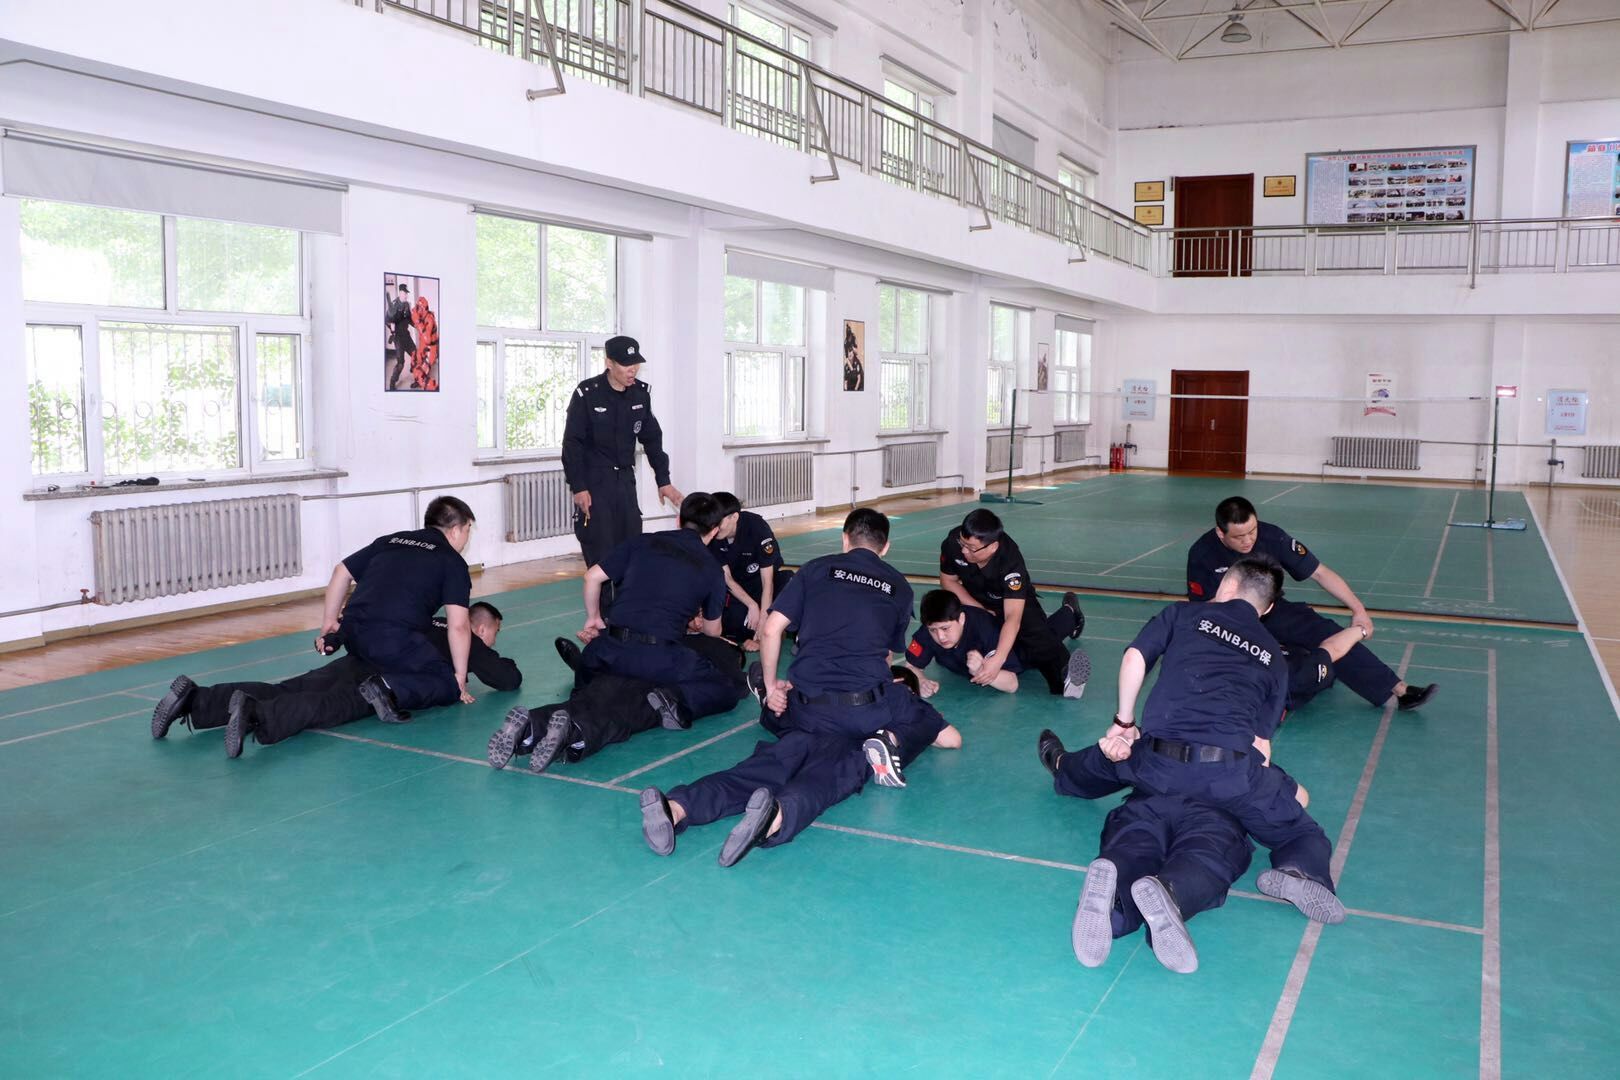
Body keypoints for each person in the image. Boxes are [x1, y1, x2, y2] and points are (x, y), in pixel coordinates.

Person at [1039, 556, 1347, 927]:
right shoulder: (1274, 658)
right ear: (1266, 609)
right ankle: (1303, 870)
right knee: (1301, 831)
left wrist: (1124, 721)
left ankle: (1064, 769)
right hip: (1227, 774)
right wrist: (1279, 790)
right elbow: (1260, 747)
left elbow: (1135, 657)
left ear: (1226, 585)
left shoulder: (1183, 614)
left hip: (1158, 760)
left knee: (1117, 753)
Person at [637, 668, 960, 867]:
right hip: (849, 751)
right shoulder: (901, 697)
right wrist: (922, 709)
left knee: (746, 775)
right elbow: (951, 739)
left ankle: (675, 808)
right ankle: (772, 818)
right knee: (816, 786)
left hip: (801, 737)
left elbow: (776, 716)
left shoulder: (840, 685)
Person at [152, 602, 521, 758]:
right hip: (383, 679)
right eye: (496, 633)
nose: (493, 640)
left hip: (364, 657)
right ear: (481, 627)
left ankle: (197, 701)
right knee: (330, 706)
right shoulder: (467, 638)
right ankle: (257, 714)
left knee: (289, 687)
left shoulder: (428, 621)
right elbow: (508, 680)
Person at [1187, 496, 1435, 712]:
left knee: (1328, 633)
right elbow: (1201, 609)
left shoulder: (1272, 536)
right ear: (1220, 533)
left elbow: (1320, 573)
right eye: (1239, 536)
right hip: (1231, 620)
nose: (1248, 540)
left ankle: (1400, 690)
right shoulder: (1202, 553)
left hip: (1273, 609)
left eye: (1252, 531)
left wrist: (1358, 610)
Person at [569, 492, 744, 736]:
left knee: (593, 681)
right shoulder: (713, 570)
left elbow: (592, 577)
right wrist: (694, 624)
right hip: (658, 656)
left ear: (678, 520)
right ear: (714, 530)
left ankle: (580, 700)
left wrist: (594, 617)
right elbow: (713, 632)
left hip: (607, 650)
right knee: (726, 687)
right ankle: (673, 697)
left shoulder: (642, 542)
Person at [487, 618, 745, 773]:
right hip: (653, 686)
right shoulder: (721, 652)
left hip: (623, 667)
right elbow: (730, 688)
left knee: (585, 700)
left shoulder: (670, 633)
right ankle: (575, 732)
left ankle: (531, 724)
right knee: (619, 717)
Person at [754, 507, 915, 743]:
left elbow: (770, 630)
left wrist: (770, 687)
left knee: (775, 712)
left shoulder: (815, 569)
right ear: (885, 547)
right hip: (865, 715)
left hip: (809, 709)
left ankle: (773, 700)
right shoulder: (902, 588)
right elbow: (886, 656)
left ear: (845, 539)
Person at [315, 495, 478, 723]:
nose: (467, 537)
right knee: (445, 683)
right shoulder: (452, 562)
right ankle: (386, 687)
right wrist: (459, 677)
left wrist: (329, 621)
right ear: (456, 530)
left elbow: (341, 571)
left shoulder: (392, 540)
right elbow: (459, 626)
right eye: (468, 529)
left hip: (352, 635)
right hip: (391, 639)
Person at [1069, 794, 1255, 975]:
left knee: (1133, 847)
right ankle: (1172, 892)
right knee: (1204, 860)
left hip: (1147, 802)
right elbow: (1267, 803)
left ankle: (1116, 898)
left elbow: (1096, 776)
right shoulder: (1245, 772)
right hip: (1214, 813)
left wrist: (1066, 775)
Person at [561, 335, 682, 570]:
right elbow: (572, 444)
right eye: (626, 364)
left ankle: (628, 594)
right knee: (601, 548)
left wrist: (664, 481)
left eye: (636, 363)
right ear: (609, 363)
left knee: (632, 545)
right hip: (595, 482)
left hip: (625, 480)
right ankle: (602, 596)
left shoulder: (640, 394)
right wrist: (579, 487)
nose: (633, 370)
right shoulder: (588, 393)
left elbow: (652, 439)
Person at [938, 509, 1087, 698]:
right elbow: (948, 581)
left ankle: (1068, 627)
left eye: (971, 548)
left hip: (1013, 601)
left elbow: (1013, 617)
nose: (964, 551)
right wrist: (981, 610)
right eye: (963, 543)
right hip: (974, 598)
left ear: (992, 547)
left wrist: (998, 660)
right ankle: (1067, 617)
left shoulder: (1010, 562)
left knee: (1035, 638)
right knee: (1004, 648)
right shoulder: (953, 543)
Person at [904, 588, 1088, 697]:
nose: (940, 637)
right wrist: (920, 680)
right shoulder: (928, 630)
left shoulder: (984, 630)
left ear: (961, 619)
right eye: (933, 630)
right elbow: (911, 666)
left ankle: (1070, 611)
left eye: (945, 629)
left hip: (1017, 649)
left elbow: (1012, 684)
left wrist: (981, 670)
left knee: (1046, 640)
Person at [707, 491, 792, 649]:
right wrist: (752, 605)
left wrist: (763, 623)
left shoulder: (756, 527)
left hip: (764, 584)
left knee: (788, 583)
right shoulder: (712, 534)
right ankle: (760, 629)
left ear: (734, 517)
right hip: (738, 589)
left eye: (719, 522)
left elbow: (767, 582)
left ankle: (776, 629)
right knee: (733, 622)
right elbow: (727, 579)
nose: (714, 527)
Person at [385, 281, 415, 390]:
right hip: (398, 338)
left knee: (416, 356)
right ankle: (392, 381)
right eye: (405, 293)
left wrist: (418, 326)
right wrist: (391, 326)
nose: (406, 295)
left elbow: (410, 319)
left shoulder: (407, 305)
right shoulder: (394, 305)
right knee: (401, 363)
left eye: (407, 293)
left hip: (406, 336)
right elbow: (387, 320)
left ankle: (418, 377)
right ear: (400, 293)